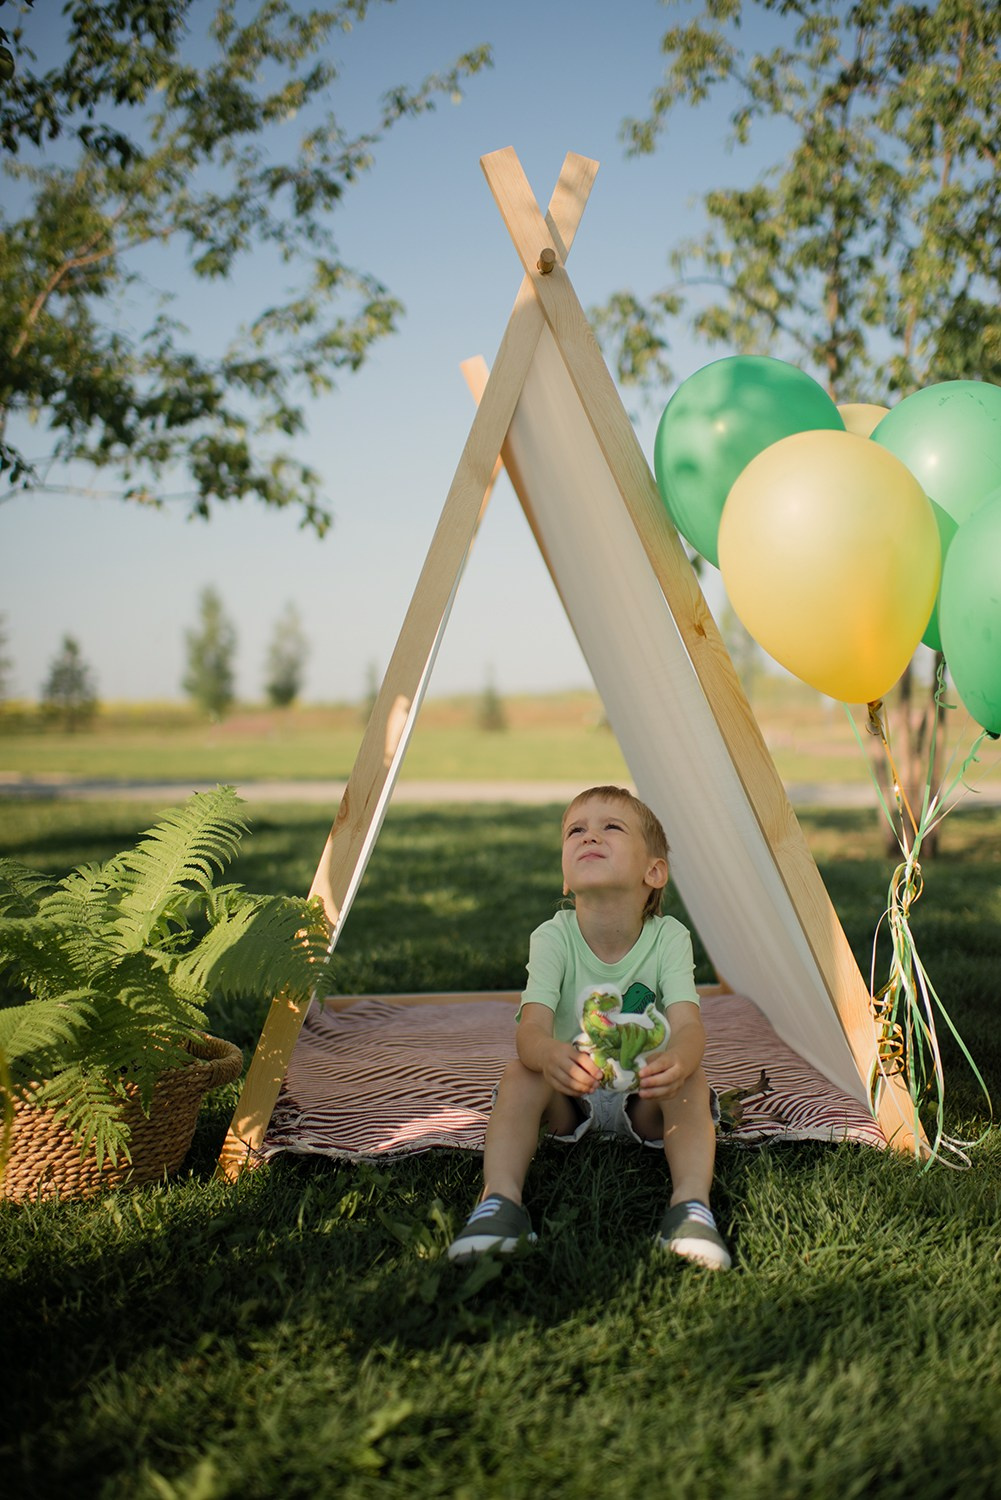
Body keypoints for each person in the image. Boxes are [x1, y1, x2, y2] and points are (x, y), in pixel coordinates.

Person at [448, 784, 731, 1270]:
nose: (589, 836)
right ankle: (499, 1203)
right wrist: (548, 1056)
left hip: (646, 1094)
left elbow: (689, 1027)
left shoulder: (669, 937)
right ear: (565, 876)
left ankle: (690, 1208)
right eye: (575, 830)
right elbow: (530, 1033)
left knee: (693, 1077)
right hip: (568, 1096)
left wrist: (678, 1061)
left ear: (653, 872)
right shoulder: (552, 937)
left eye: (611, 827)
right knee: (519, 1073)